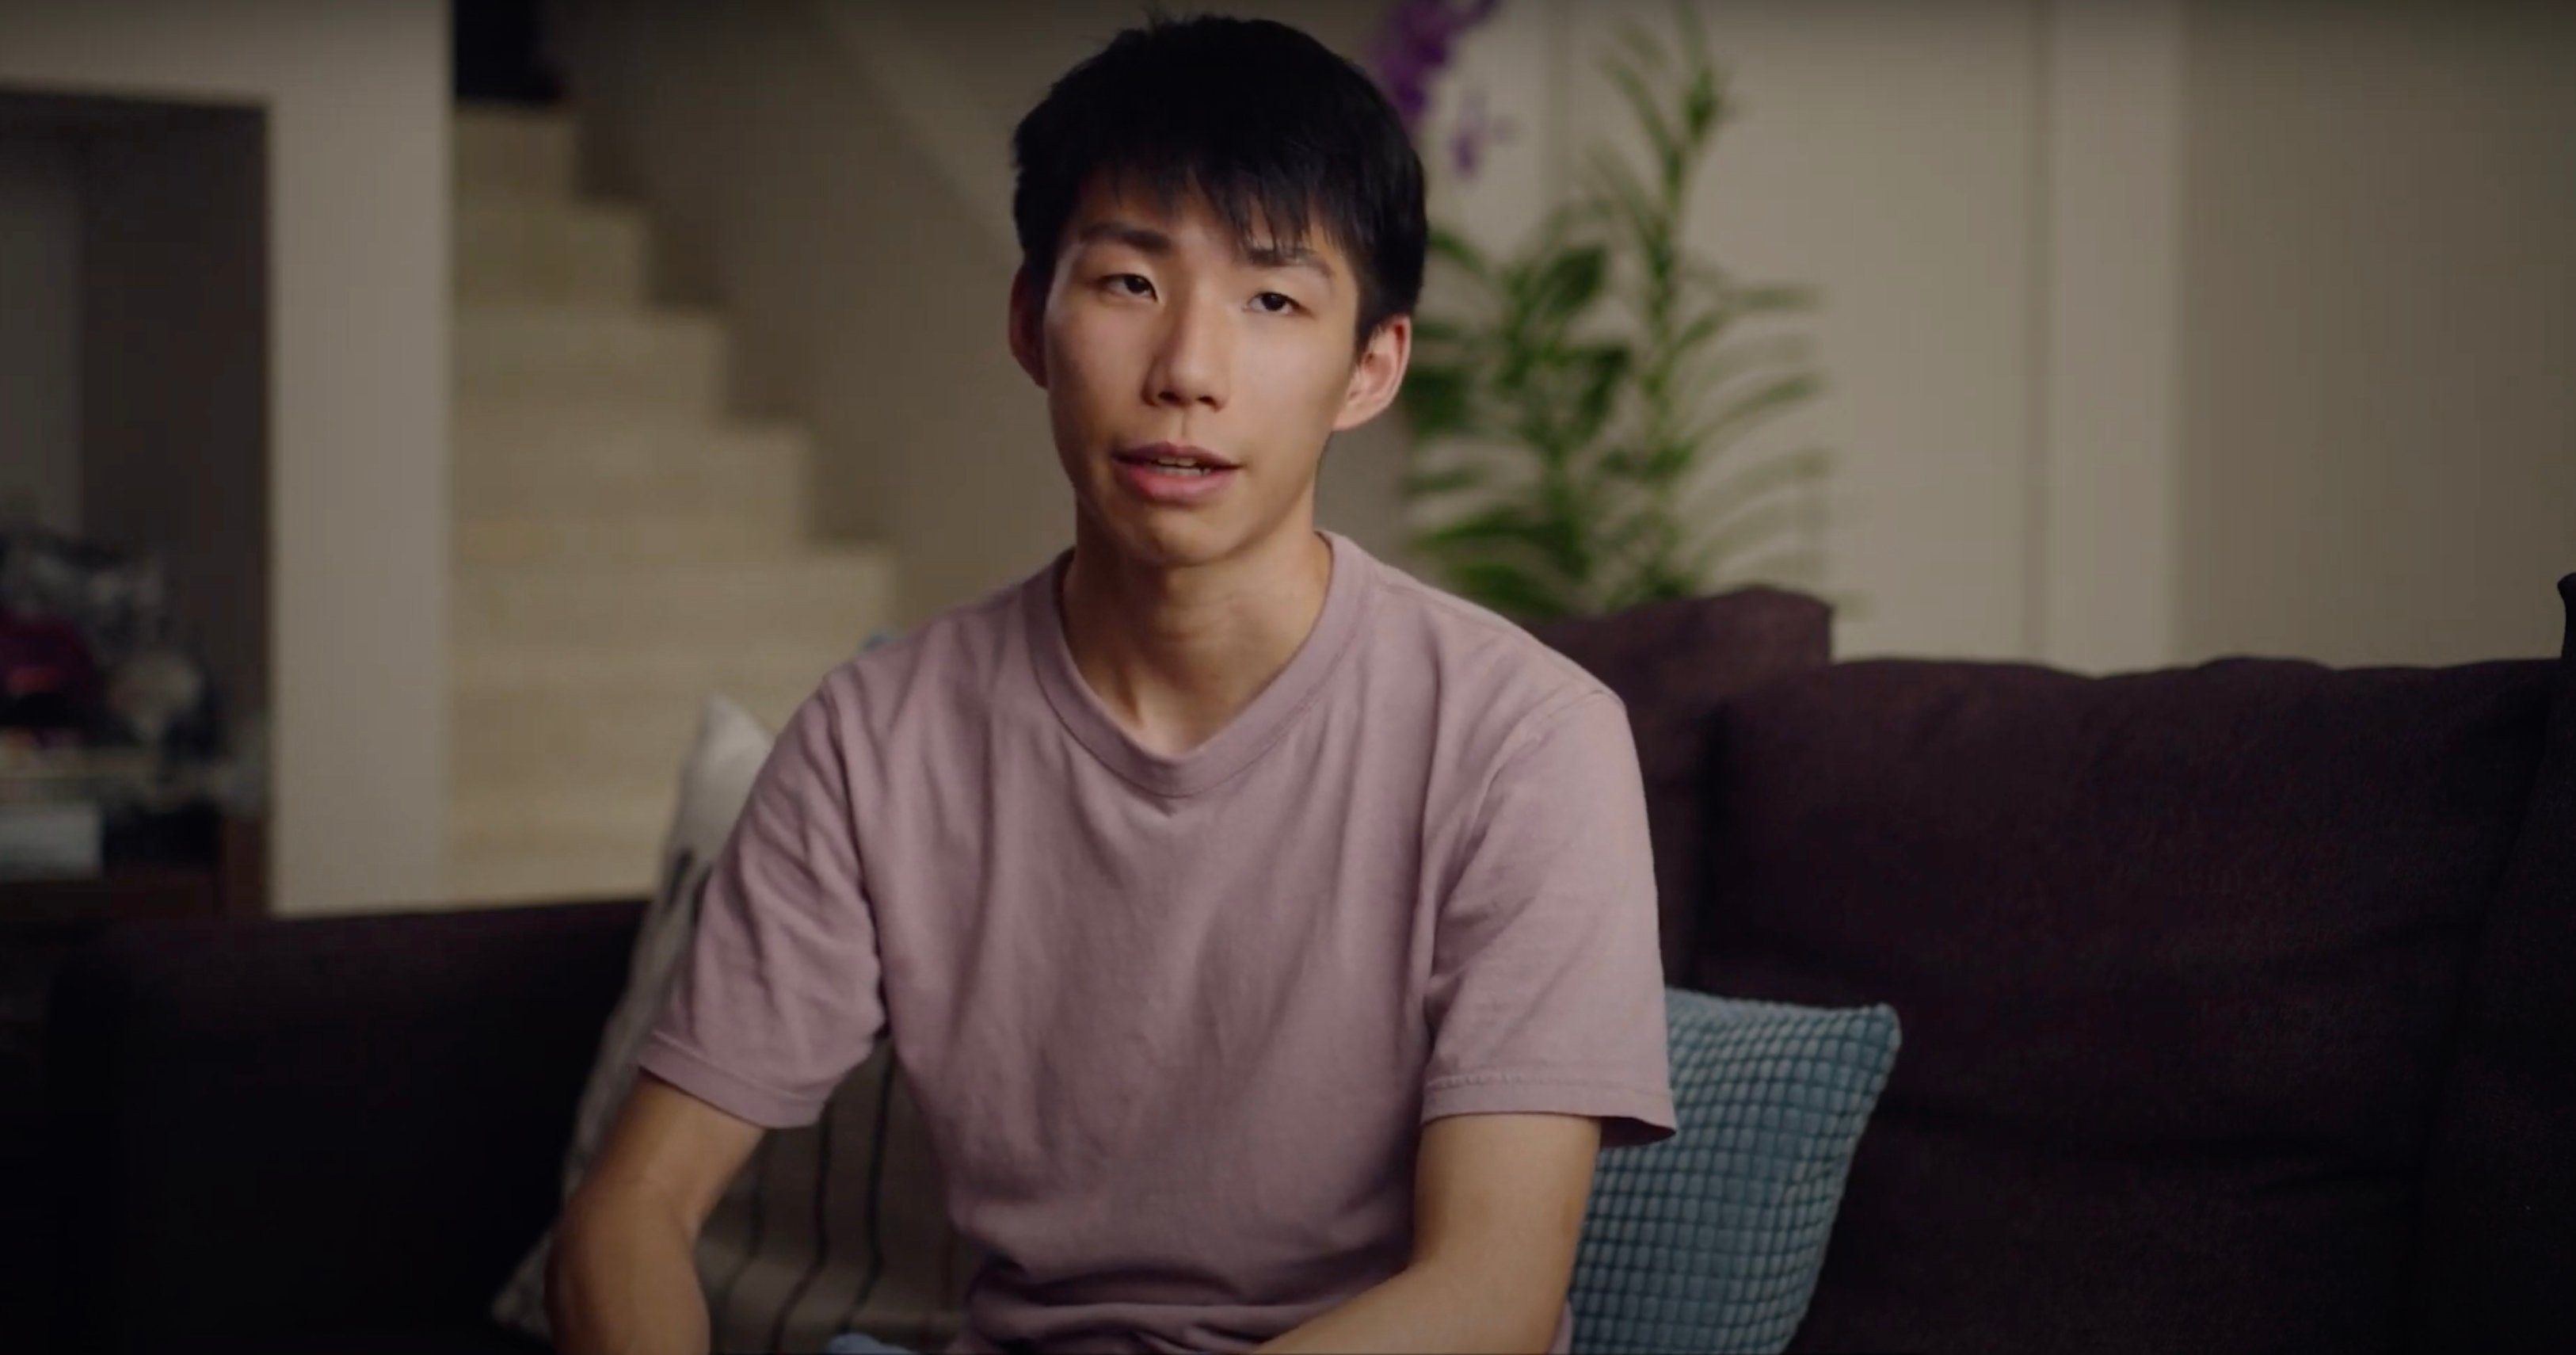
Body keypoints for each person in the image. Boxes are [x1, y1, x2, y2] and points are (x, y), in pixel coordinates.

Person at [544, 14, 1673, 1354]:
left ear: (1370, 367)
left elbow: (1493, 1297)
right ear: (1031, 322)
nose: (1187, 371)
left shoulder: (1527, 742)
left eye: (1272, 301)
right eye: (1130, 282)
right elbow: (631, 1210)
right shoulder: (875, 742)